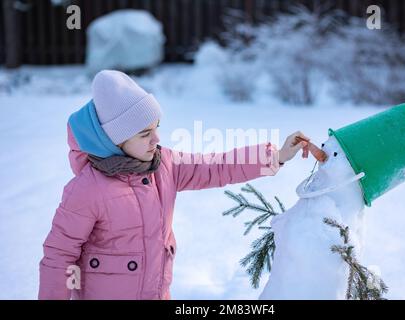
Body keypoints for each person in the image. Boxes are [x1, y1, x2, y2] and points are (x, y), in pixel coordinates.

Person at [38, 70, 311, 300]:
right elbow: (59, 256)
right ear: (115, 141)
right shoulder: (88, 190)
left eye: (156, 127)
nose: (156, 138)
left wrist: (276, 156)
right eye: (145, 133)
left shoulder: (164, 165)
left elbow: (217, 166)